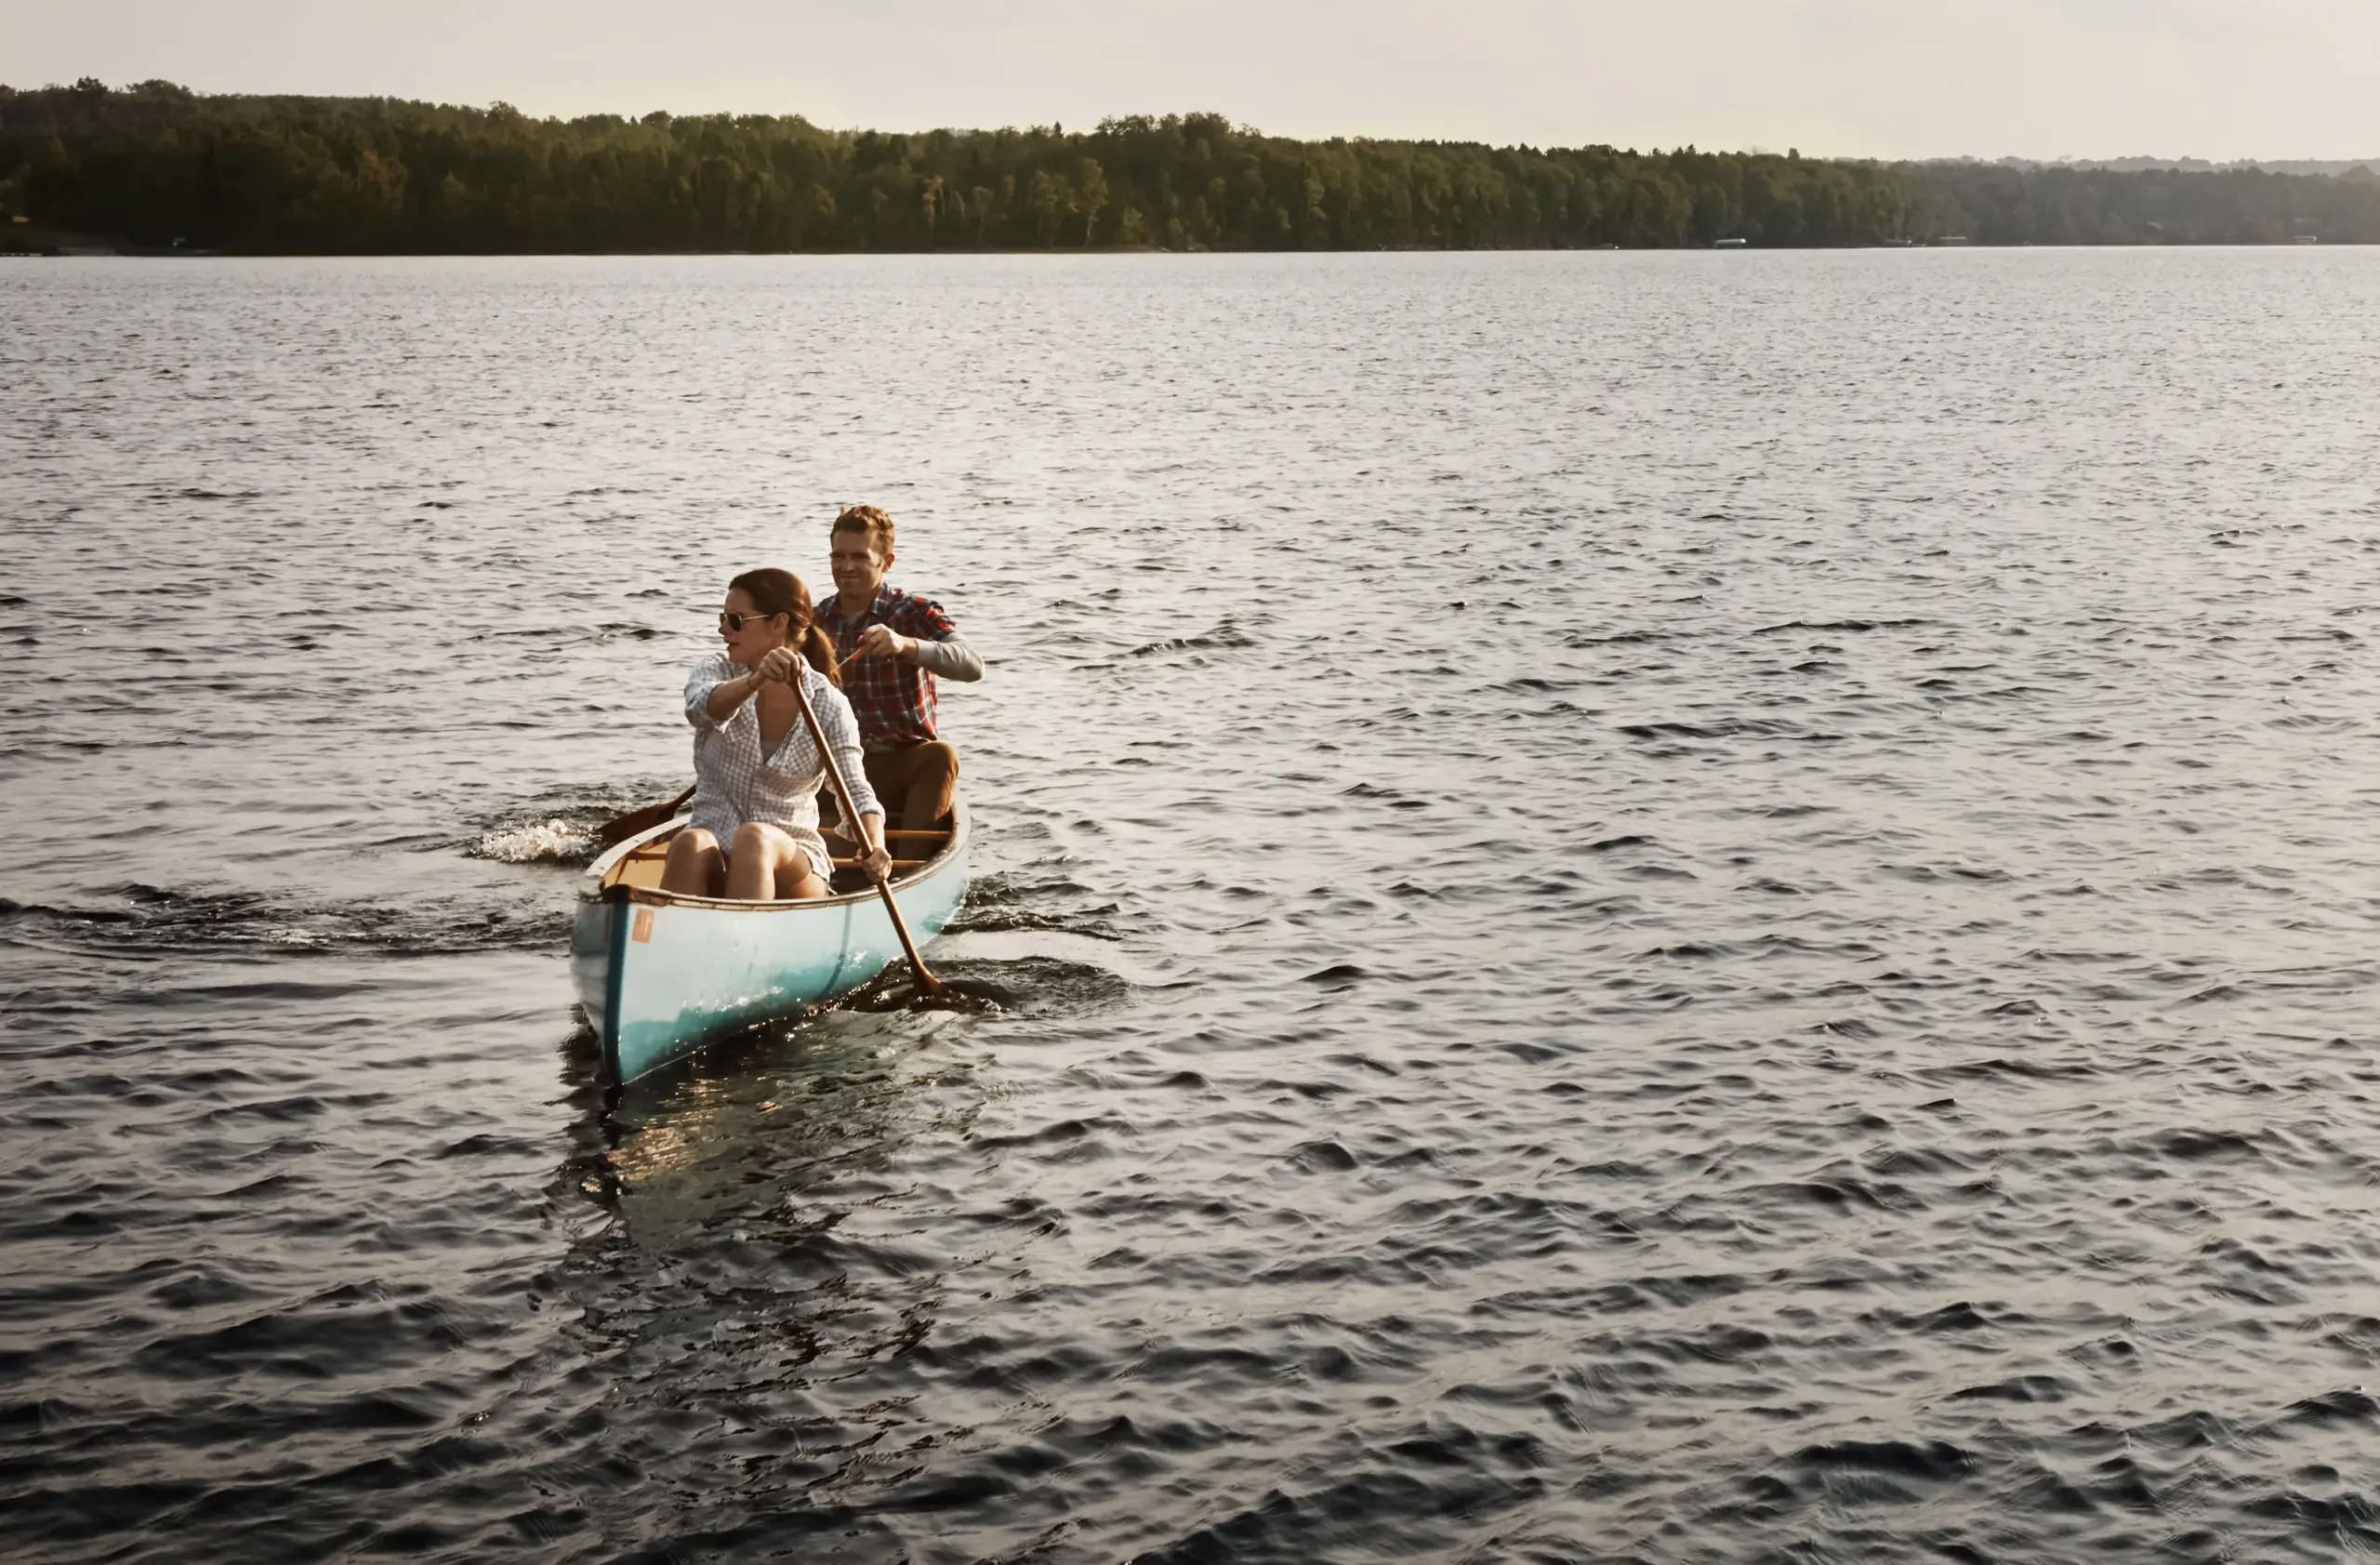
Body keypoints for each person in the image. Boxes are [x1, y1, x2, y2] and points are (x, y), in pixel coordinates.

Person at [659, 568, 892, 901]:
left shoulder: (827, 704)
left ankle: (749, 945)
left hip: (791, 860)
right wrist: (753, 682)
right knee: (688, 840)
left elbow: (855, 791)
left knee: (754, 838)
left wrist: (876, 846)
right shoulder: (716, 670)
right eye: (723, 618)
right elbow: (699, 709)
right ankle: (672, 941)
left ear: (779, 623)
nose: (723, 629)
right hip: (714, 849)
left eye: (736, 620)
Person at [815, 504, 983, 837]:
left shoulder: (912, 611)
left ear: (886, 562)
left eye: (860, 557)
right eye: (838, 557)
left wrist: (905, 645)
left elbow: (971, 664)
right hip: (838, 768)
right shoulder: (812, 621)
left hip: (903, 762)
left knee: (940, 756)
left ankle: (906, 868)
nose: (846, 567)